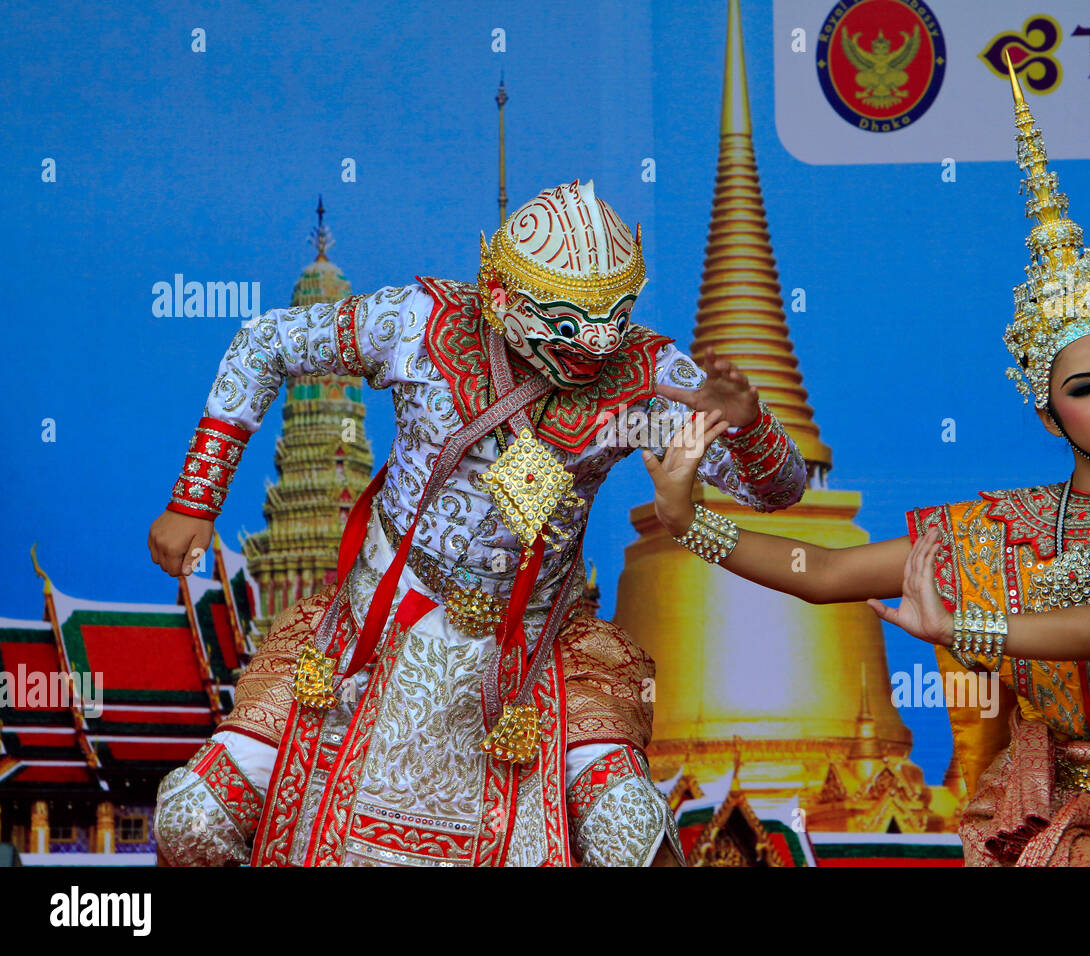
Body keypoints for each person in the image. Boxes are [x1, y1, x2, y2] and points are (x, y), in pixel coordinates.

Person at [639, 63, 1090, 866]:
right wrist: (689, 522)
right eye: (1085, 387)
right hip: (1029, 806)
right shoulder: (993, 533)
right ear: (1052, 414)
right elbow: (824, 571)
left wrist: (962, 626)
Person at [148, 179, 807, 866]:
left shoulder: (639, 374)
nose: (599, 341)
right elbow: (263, 343)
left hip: (537, 656)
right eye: (571, 321)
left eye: (616, 314)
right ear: (500, 297)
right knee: (192, 817)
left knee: (632, 838)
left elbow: (778, 492)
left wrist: (750, 425)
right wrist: (196, 498)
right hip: (371, 635)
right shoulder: (420, 325)